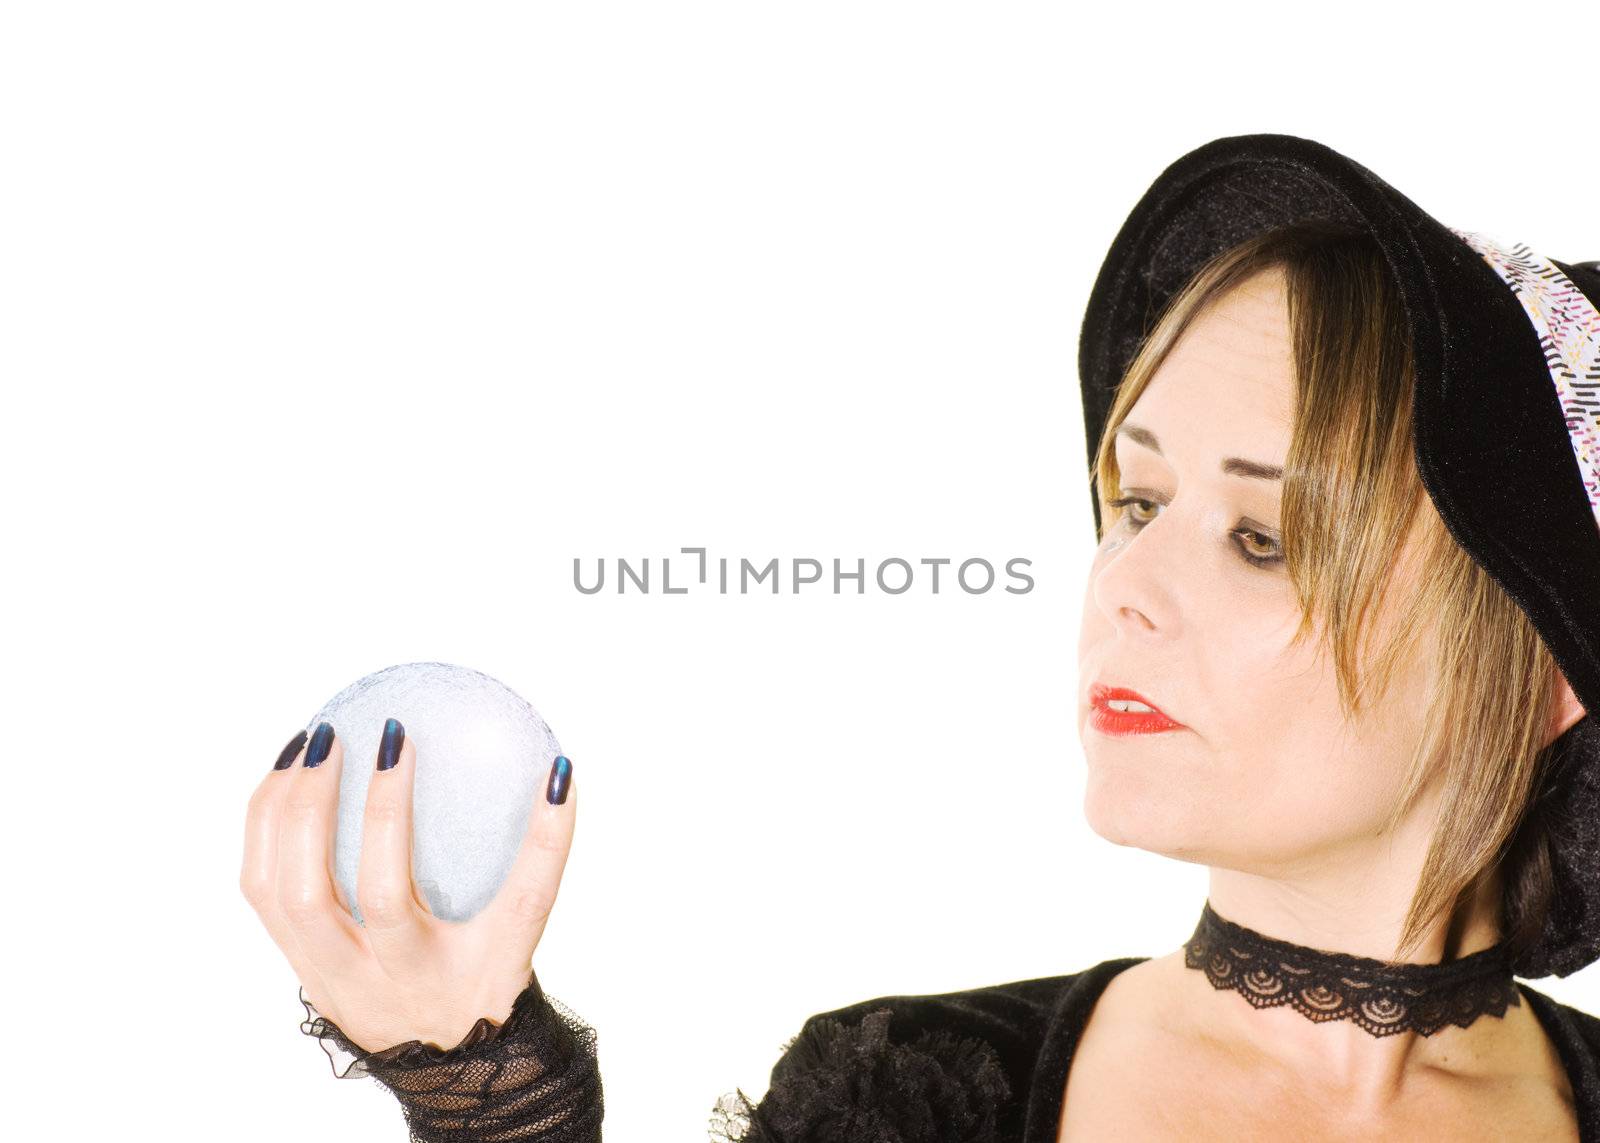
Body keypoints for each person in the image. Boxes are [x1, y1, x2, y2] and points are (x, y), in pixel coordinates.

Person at [241, 133, 1600, 1142]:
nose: (1121, 585)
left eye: (1265, 536)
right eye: (1134, 501)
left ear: (1544, 672)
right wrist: (490, 1101)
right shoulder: (907, 1099)